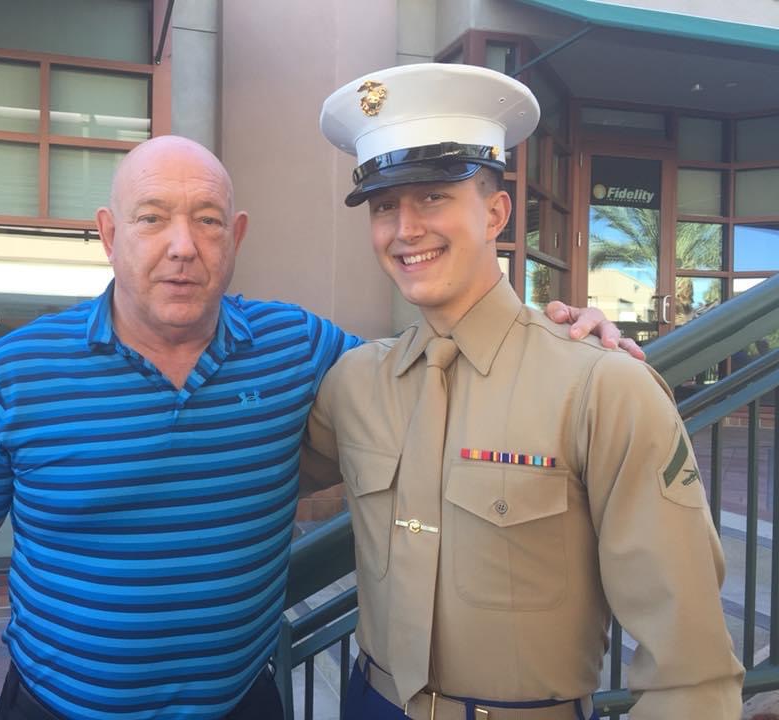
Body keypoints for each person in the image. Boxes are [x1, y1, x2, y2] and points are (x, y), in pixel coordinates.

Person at [0, 134, 637, 720]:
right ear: (109, 234)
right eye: (152, 218)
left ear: (236, 237)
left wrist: (555, 335)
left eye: (207, 220)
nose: (182, 245)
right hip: (56, 708)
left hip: (242, 705)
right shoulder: (17, 372)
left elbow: (432, 369)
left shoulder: (295, 346)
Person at [307, 63, 744, 720]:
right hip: (371, 702)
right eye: (384, 206)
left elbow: (690, 668)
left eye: (433, 197)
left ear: (495, 212)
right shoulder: (355, 383)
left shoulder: (603, 386)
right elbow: (253, 476)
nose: (405, 229)